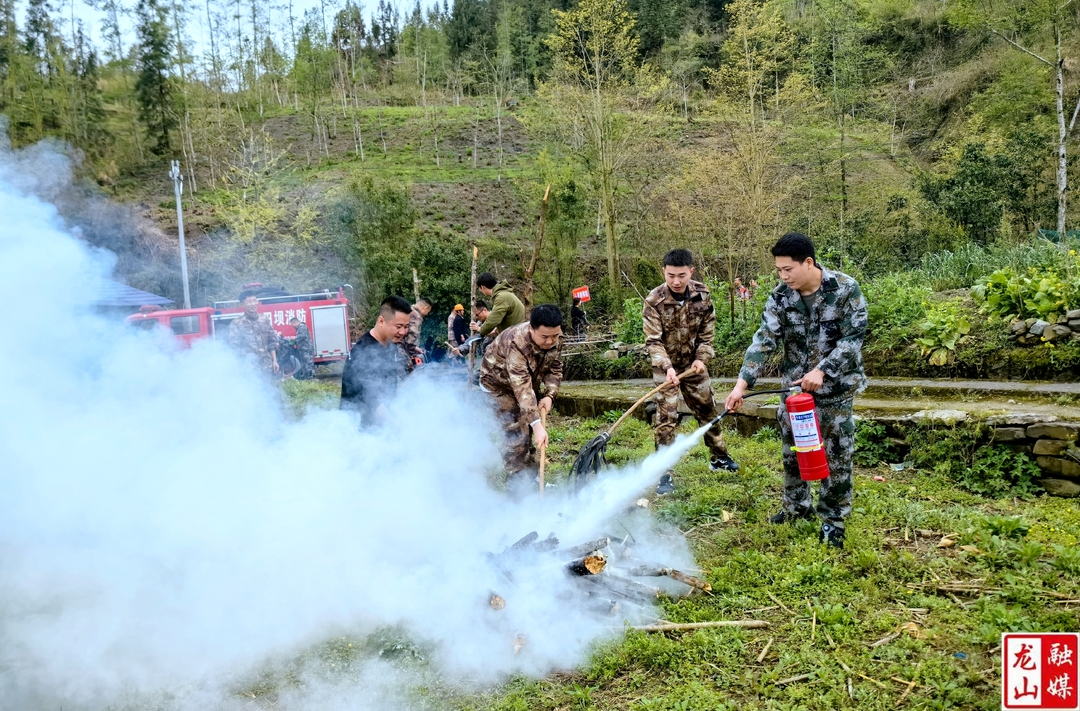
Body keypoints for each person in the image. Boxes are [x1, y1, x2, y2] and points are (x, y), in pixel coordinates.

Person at [724, 232, 867, 549]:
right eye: (779, 270)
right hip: (794, 390)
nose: (783, 276)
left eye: (788, 269)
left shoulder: (846, 289)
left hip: (836, 387)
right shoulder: (780, 297)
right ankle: (796, 508)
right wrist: (740, 386)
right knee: (793, 449)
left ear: (808, 263)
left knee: (836, 452)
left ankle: (833, 520)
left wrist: (822, 370)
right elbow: (764, 341)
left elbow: (852, 340)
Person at [643, 249, 739, 496]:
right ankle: (664, 473)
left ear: (691, 272)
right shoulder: (653, 300)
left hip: (694, 366)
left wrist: (702, 358)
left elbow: (707, 334)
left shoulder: (702, 294)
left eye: (682, 275)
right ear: (663, 272)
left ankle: (719, 458)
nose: (676, 281)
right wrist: (667, 368)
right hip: (665, 369)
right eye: (671, 275)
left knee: (708, 410)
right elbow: (653, 341)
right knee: (666, 419)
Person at [479, 304, 564, 495]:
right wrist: (537, 424)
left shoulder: (555, 336)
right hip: (497, 385)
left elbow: (555, 367)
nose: (550, 341)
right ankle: (517, 487)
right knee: (516, 432)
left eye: (555, 336)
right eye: (545, 337)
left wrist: (550, 394)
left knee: (529, 430)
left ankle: (531, 478)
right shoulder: (516, 343)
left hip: (525, 383)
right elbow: (521, 387)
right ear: (532, 329)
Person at [340, 296, 413, 426]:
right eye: (398, 326)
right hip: (359, 427)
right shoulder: (362, 352)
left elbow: (388, 390)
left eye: (406, 326)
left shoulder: (391, 345)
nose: (403, 332)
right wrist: (396, 425)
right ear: (381, 321)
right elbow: (372, 400)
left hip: (382, 423)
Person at [228, 289, 280, 375]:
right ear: (242, 304)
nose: (253, 304)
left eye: (255, 300)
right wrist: (237, 367)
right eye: (249, 302)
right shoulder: (237, 323)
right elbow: (234, 347)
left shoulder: (264, 319)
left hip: (267, 365)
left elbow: (271, 342)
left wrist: (274, 361)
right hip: (249, 368)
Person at [472, 272, 525, 338]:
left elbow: (493, 321)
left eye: (479, 288)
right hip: (516, 333)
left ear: (483, 287)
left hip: (516, 336)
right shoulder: (504, 293)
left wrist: (480, 329)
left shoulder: (501, 297)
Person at [403, 298, 432, 370]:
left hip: (397, 346)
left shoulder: (408, 310)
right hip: (404, 350)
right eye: (428, 311)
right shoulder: (416, 316)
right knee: (409, 372)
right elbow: (411, 335)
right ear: (425, 308)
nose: (427, 314)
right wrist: (412, 349)